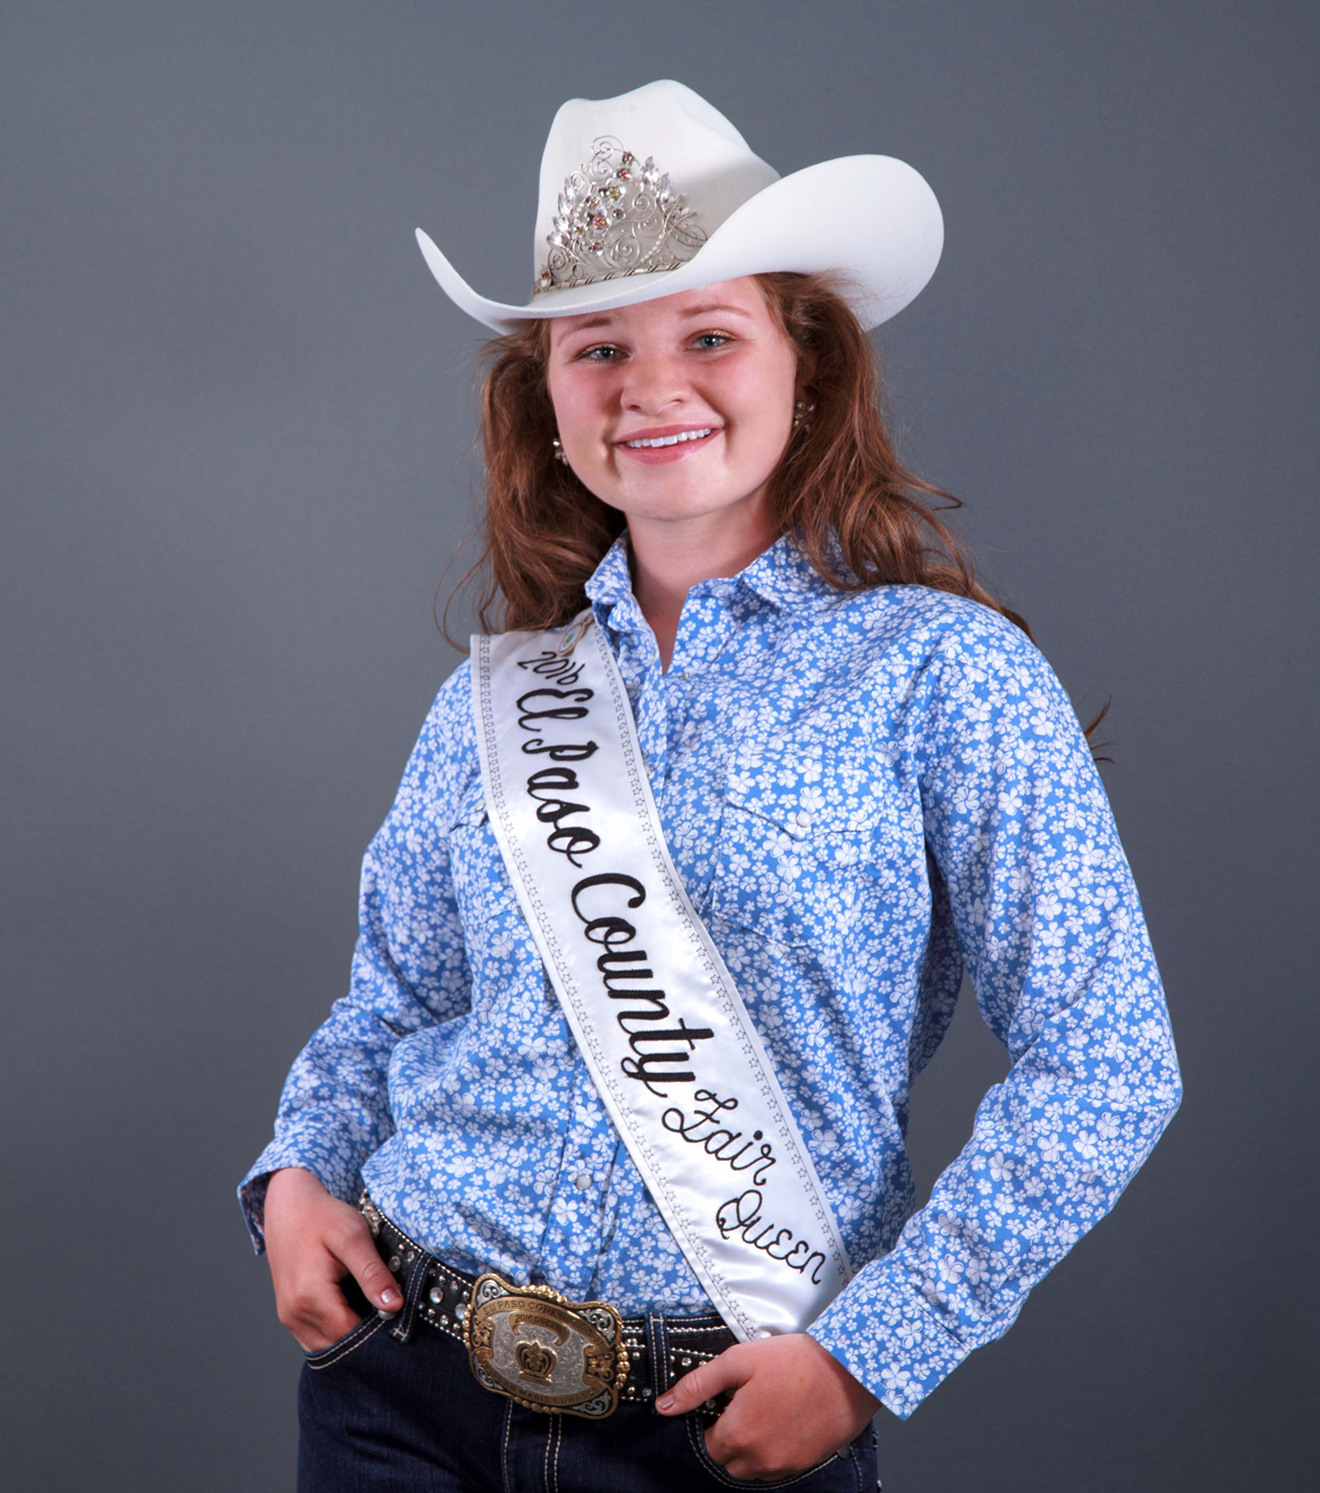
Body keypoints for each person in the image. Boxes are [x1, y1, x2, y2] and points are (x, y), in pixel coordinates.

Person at [239, 80, 1182, 1491]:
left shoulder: (946, 674)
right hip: (401, 1386)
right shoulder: (501, 695)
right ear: (549, 399)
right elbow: (400, 997)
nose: (651, 386)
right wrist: (295, 1179)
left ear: (806, 365)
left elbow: (1110, 1066)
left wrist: (874, 1353)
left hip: (726, 1422)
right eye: (598, 346)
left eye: (710, 335)